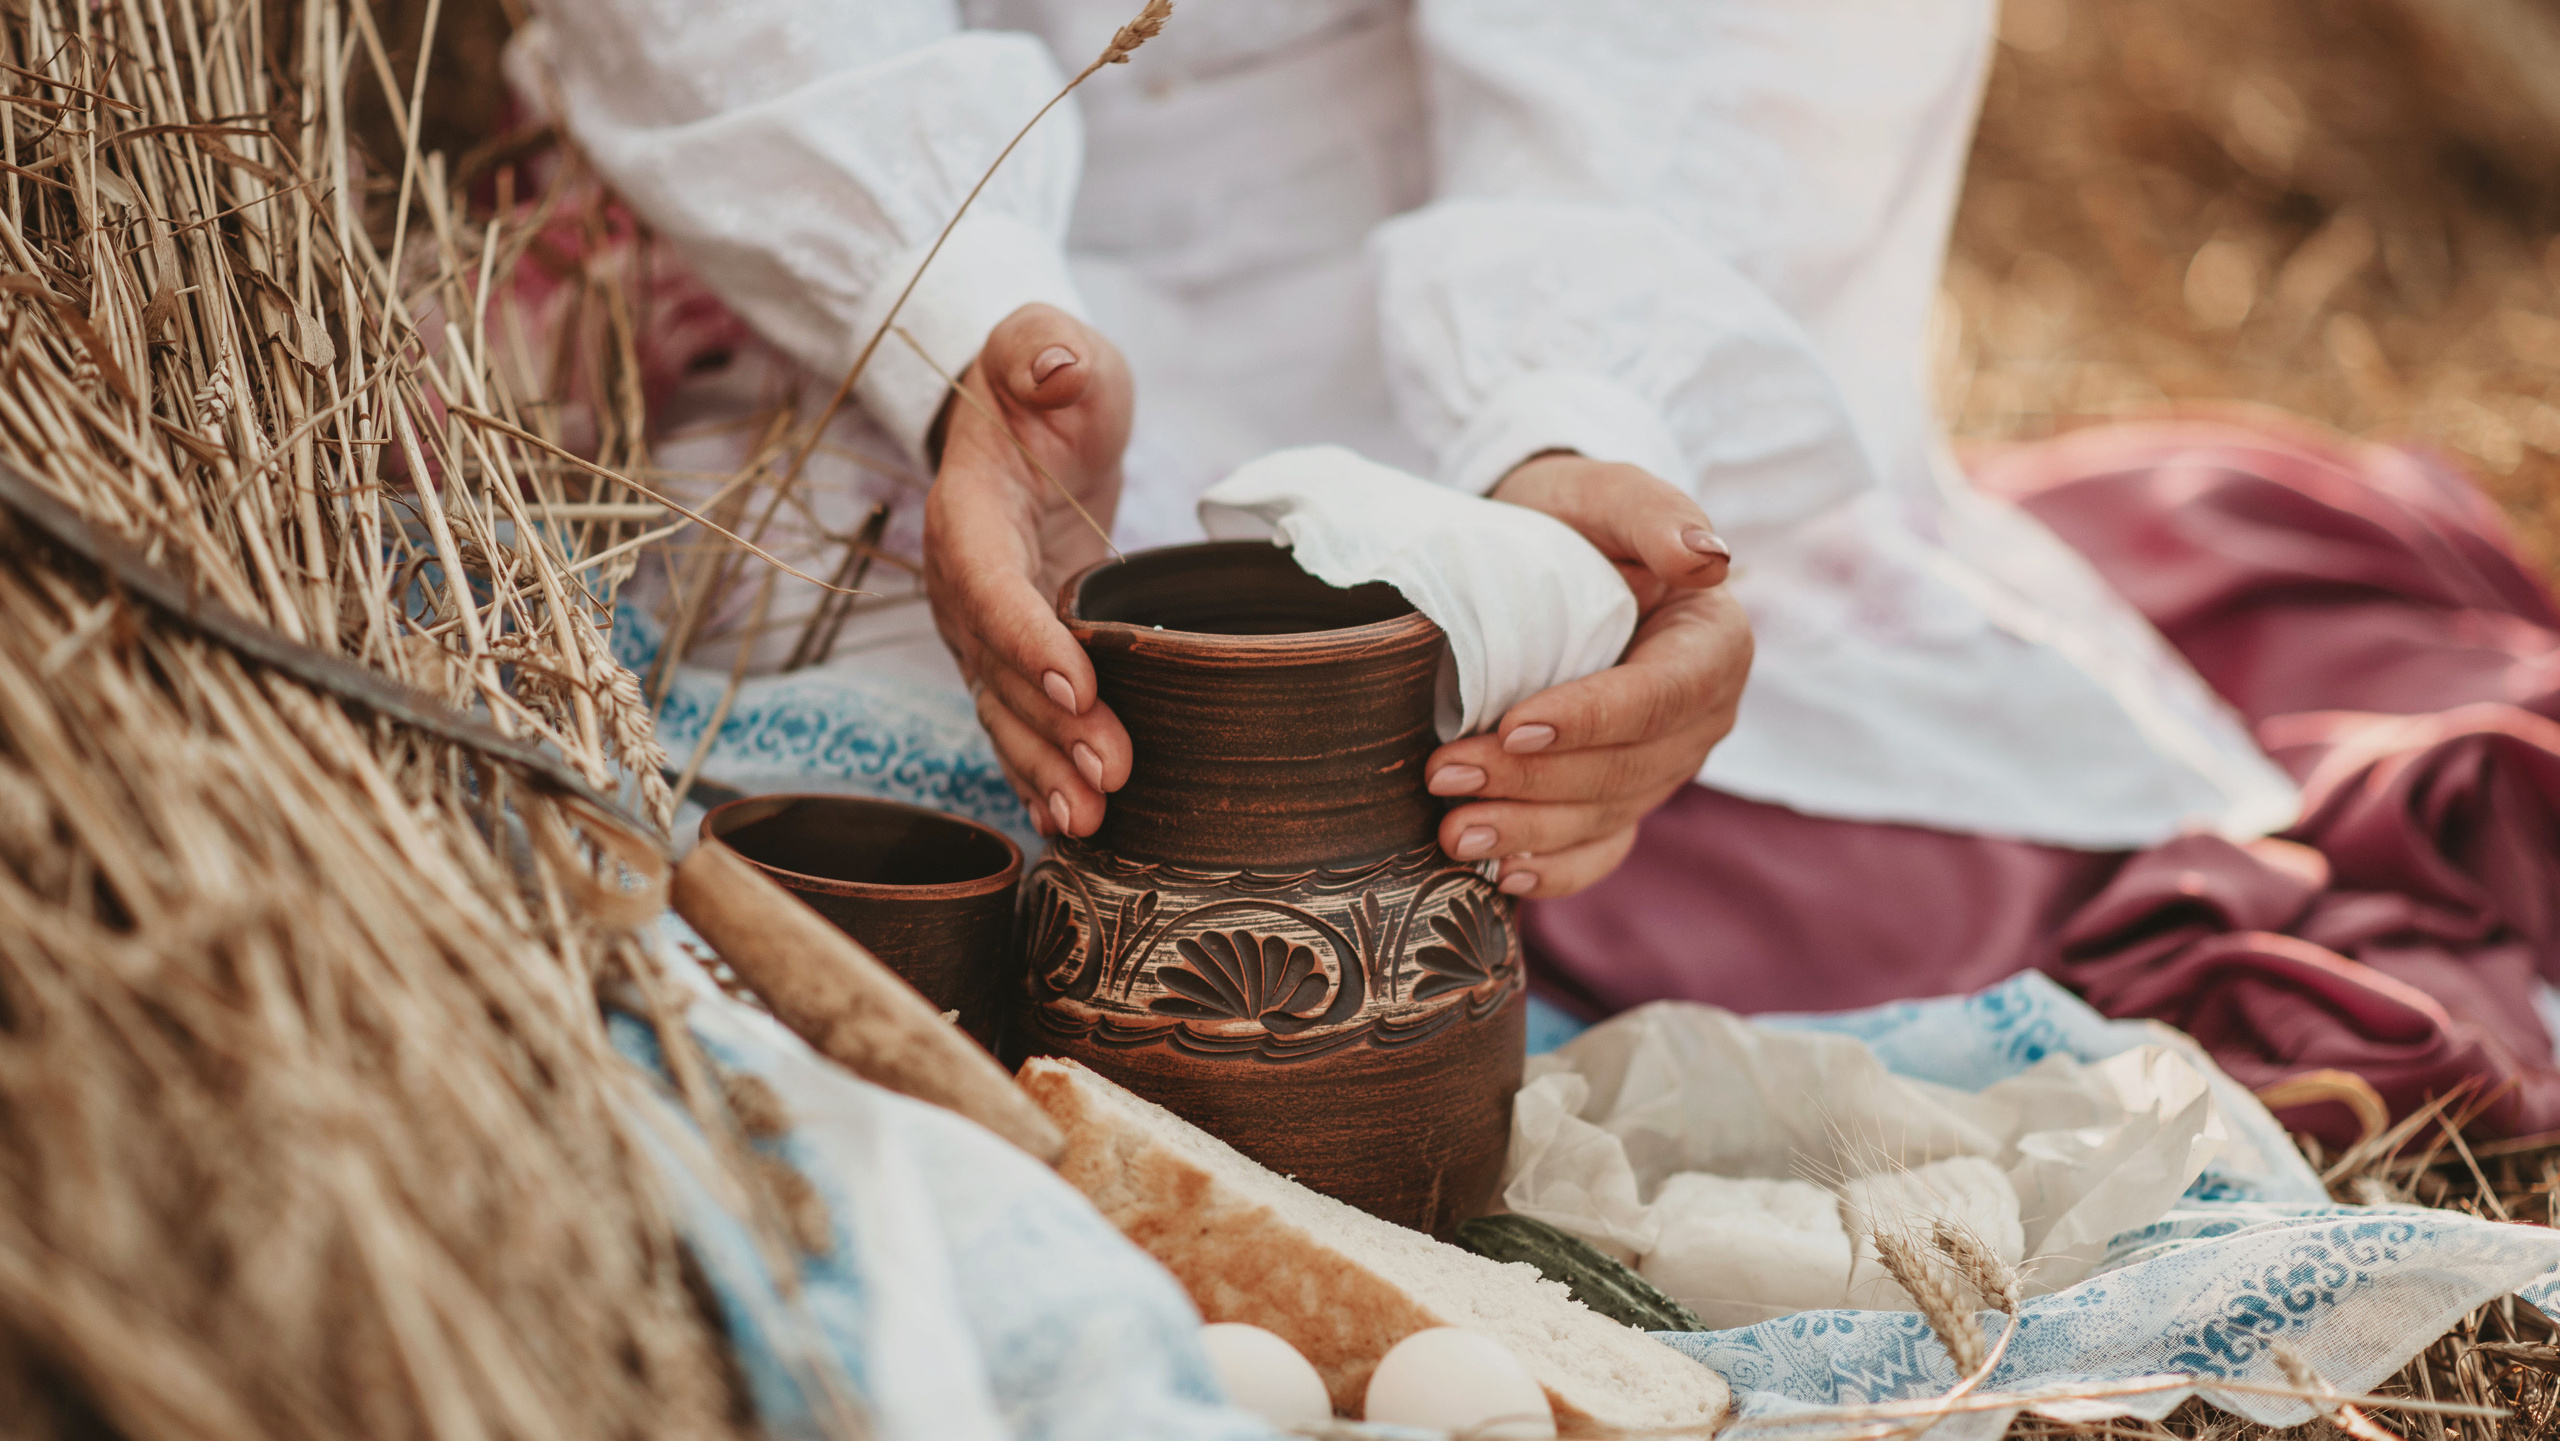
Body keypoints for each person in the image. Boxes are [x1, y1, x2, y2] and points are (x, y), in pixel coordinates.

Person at [527, 0, 2560, 1144]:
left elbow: (1707, 65)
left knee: (1808, 858)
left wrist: (1571, 432)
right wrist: (951, 312)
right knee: (848, 821)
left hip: (1478, 312)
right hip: (852, 279)